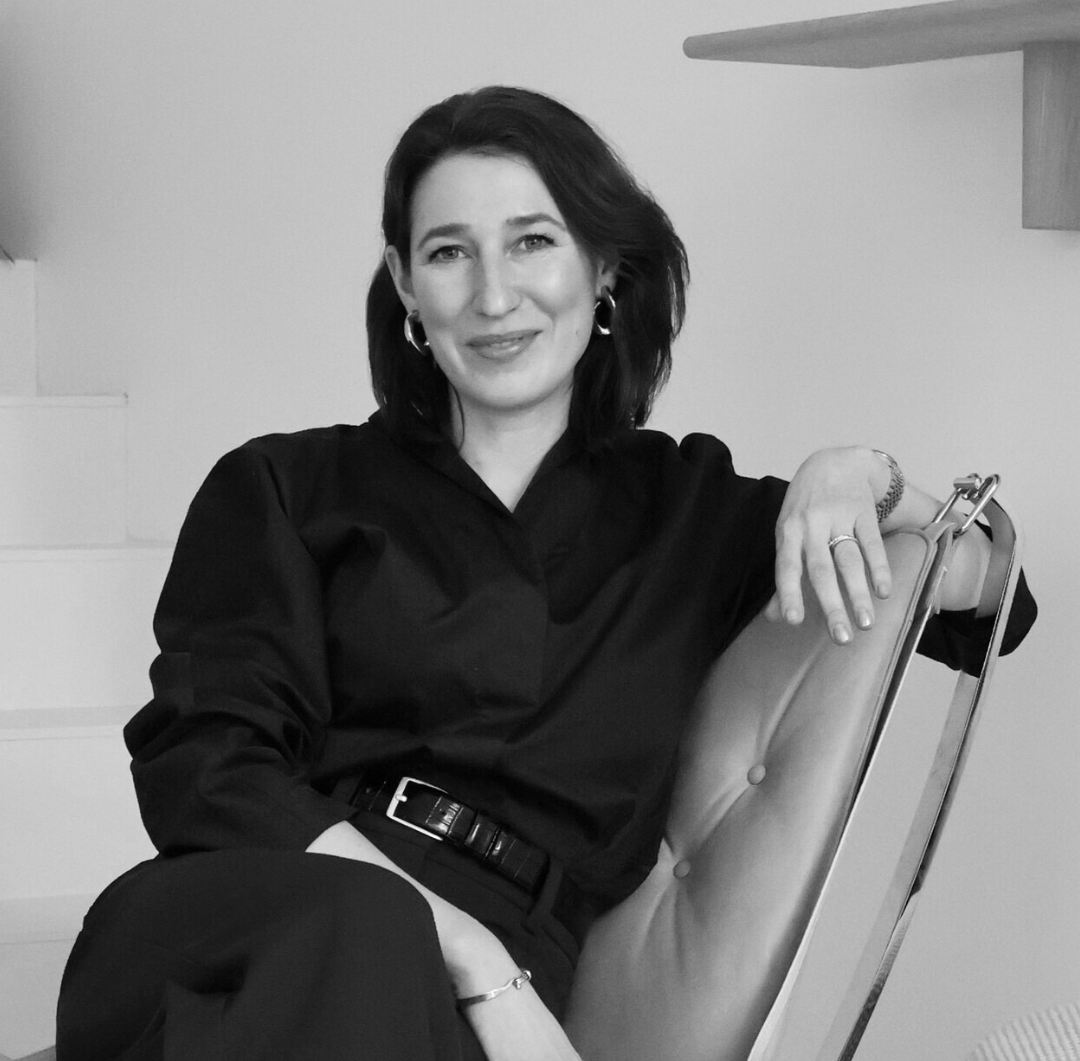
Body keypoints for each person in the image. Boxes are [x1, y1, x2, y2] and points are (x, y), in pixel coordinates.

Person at [56, 85, 1035, 1061]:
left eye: (532, 242)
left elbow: (995, 598)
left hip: (488, 978)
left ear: (603, 266)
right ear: (404, 283)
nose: (493, 296)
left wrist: (870, 477)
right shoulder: (285, 487)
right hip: (262, 920)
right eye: (449, 253)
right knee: (367, 930)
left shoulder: (692, 512)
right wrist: (473, 961)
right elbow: (208, 766)